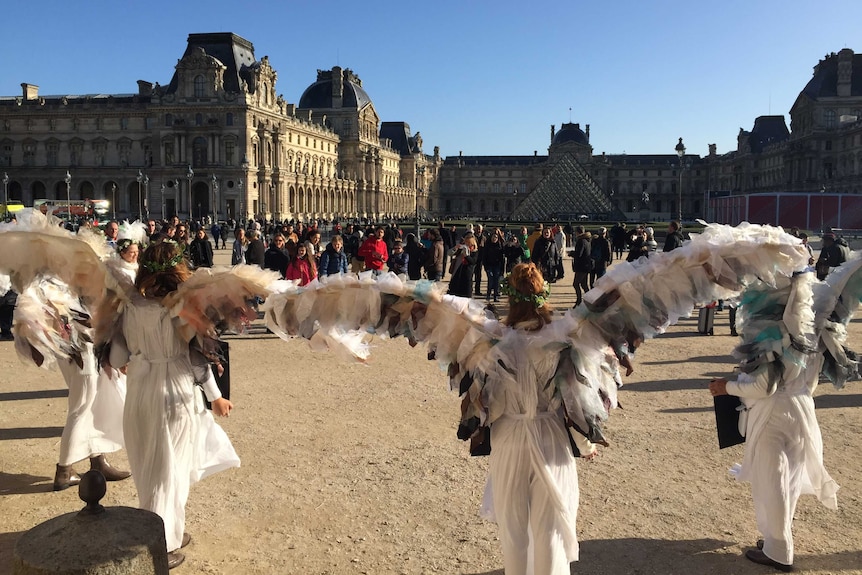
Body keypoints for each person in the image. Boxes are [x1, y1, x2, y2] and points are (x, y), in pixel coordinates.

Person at [109, 241, 238, 569]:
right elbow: (198, 359)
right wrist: (216, 396)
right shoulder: (181, 307)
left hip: (138, 390)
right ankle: (160, 545)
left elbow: (117, 356)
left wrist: (137, 358)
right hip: (173, 391)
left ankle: (168, 530)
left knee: (148, 468)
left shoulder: (128, 306)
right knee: (170, 471)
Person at [708, 271, 838, 573]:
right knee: (789, 479)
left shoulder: (770, 333)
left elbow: (763, 387)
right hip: (803, 410)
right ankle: (775, 541)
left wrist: (726, 387)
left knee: (772, 483)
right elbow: (813, 383)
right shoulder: (812, 333)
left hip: (773, 414)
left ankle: (779, 550)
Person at [483, 263, 596, 575]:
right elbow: (575, 399)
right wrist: (585, 444)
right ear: (543, 295)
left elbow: (488, 403)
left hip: (508, 436)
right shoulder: (561, 338)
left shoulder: (494, 341)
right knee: (549, 530)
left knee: (513, 531)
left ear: (511, 299)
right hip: (550, 435)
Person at [570, 226, 592, 307]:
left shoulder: (581, 241)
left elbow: (579, 254)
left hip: (581, 266)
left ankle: (579, 301)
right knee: (584, 285)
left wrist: (571, 253)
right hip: (586, 266)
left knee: (576, 284)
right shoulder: (587, 240)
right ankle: (590, 300)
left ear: (577, 232)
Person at [483, 228, 505, 302]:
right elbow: (484, 257)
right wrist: (486, 267)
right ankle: (488, 295)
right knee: (490, 280)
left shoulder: (500, 246)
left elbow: (502, 259)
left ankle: (495, 296)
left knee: (496, 281)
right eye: (493, 237)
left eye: (496, 237)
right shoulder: (488, 245)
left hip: (497, 266)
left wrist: (502, 269)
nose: (494, 239)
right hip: (489, 265)